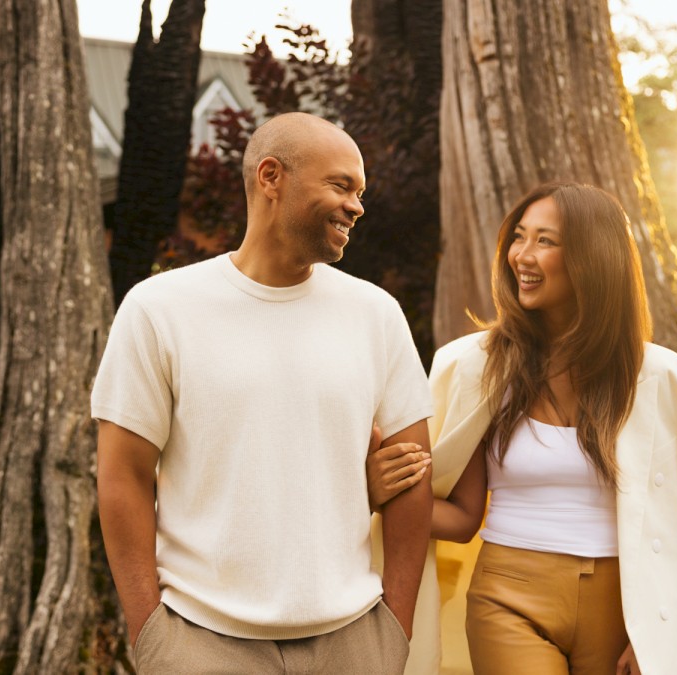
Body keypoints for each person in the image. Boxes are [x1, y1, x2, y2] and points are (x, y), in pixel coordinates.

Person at [94, 112, 434, 674]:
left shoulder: (376, 315)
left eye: (361, 191)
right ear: (271, 177)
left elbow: (412, 477)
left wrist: (395, 630)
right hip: (200, 642)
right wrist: (149, 633)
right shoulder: (160, 309)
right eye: (341, 185)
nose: (357, 205)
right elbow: (122, 475)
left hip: (354, 642)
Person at [370, 182, 677, 674]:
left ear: (592, 257)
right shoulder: (475, 368)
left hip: (624, 608)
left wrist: (655, 637)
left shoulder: (662, 379)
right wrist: (379, 492)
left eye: (545, 240)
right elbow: (461, 516)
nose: (522, 255)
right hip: (507, 597)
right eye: (519, 237)